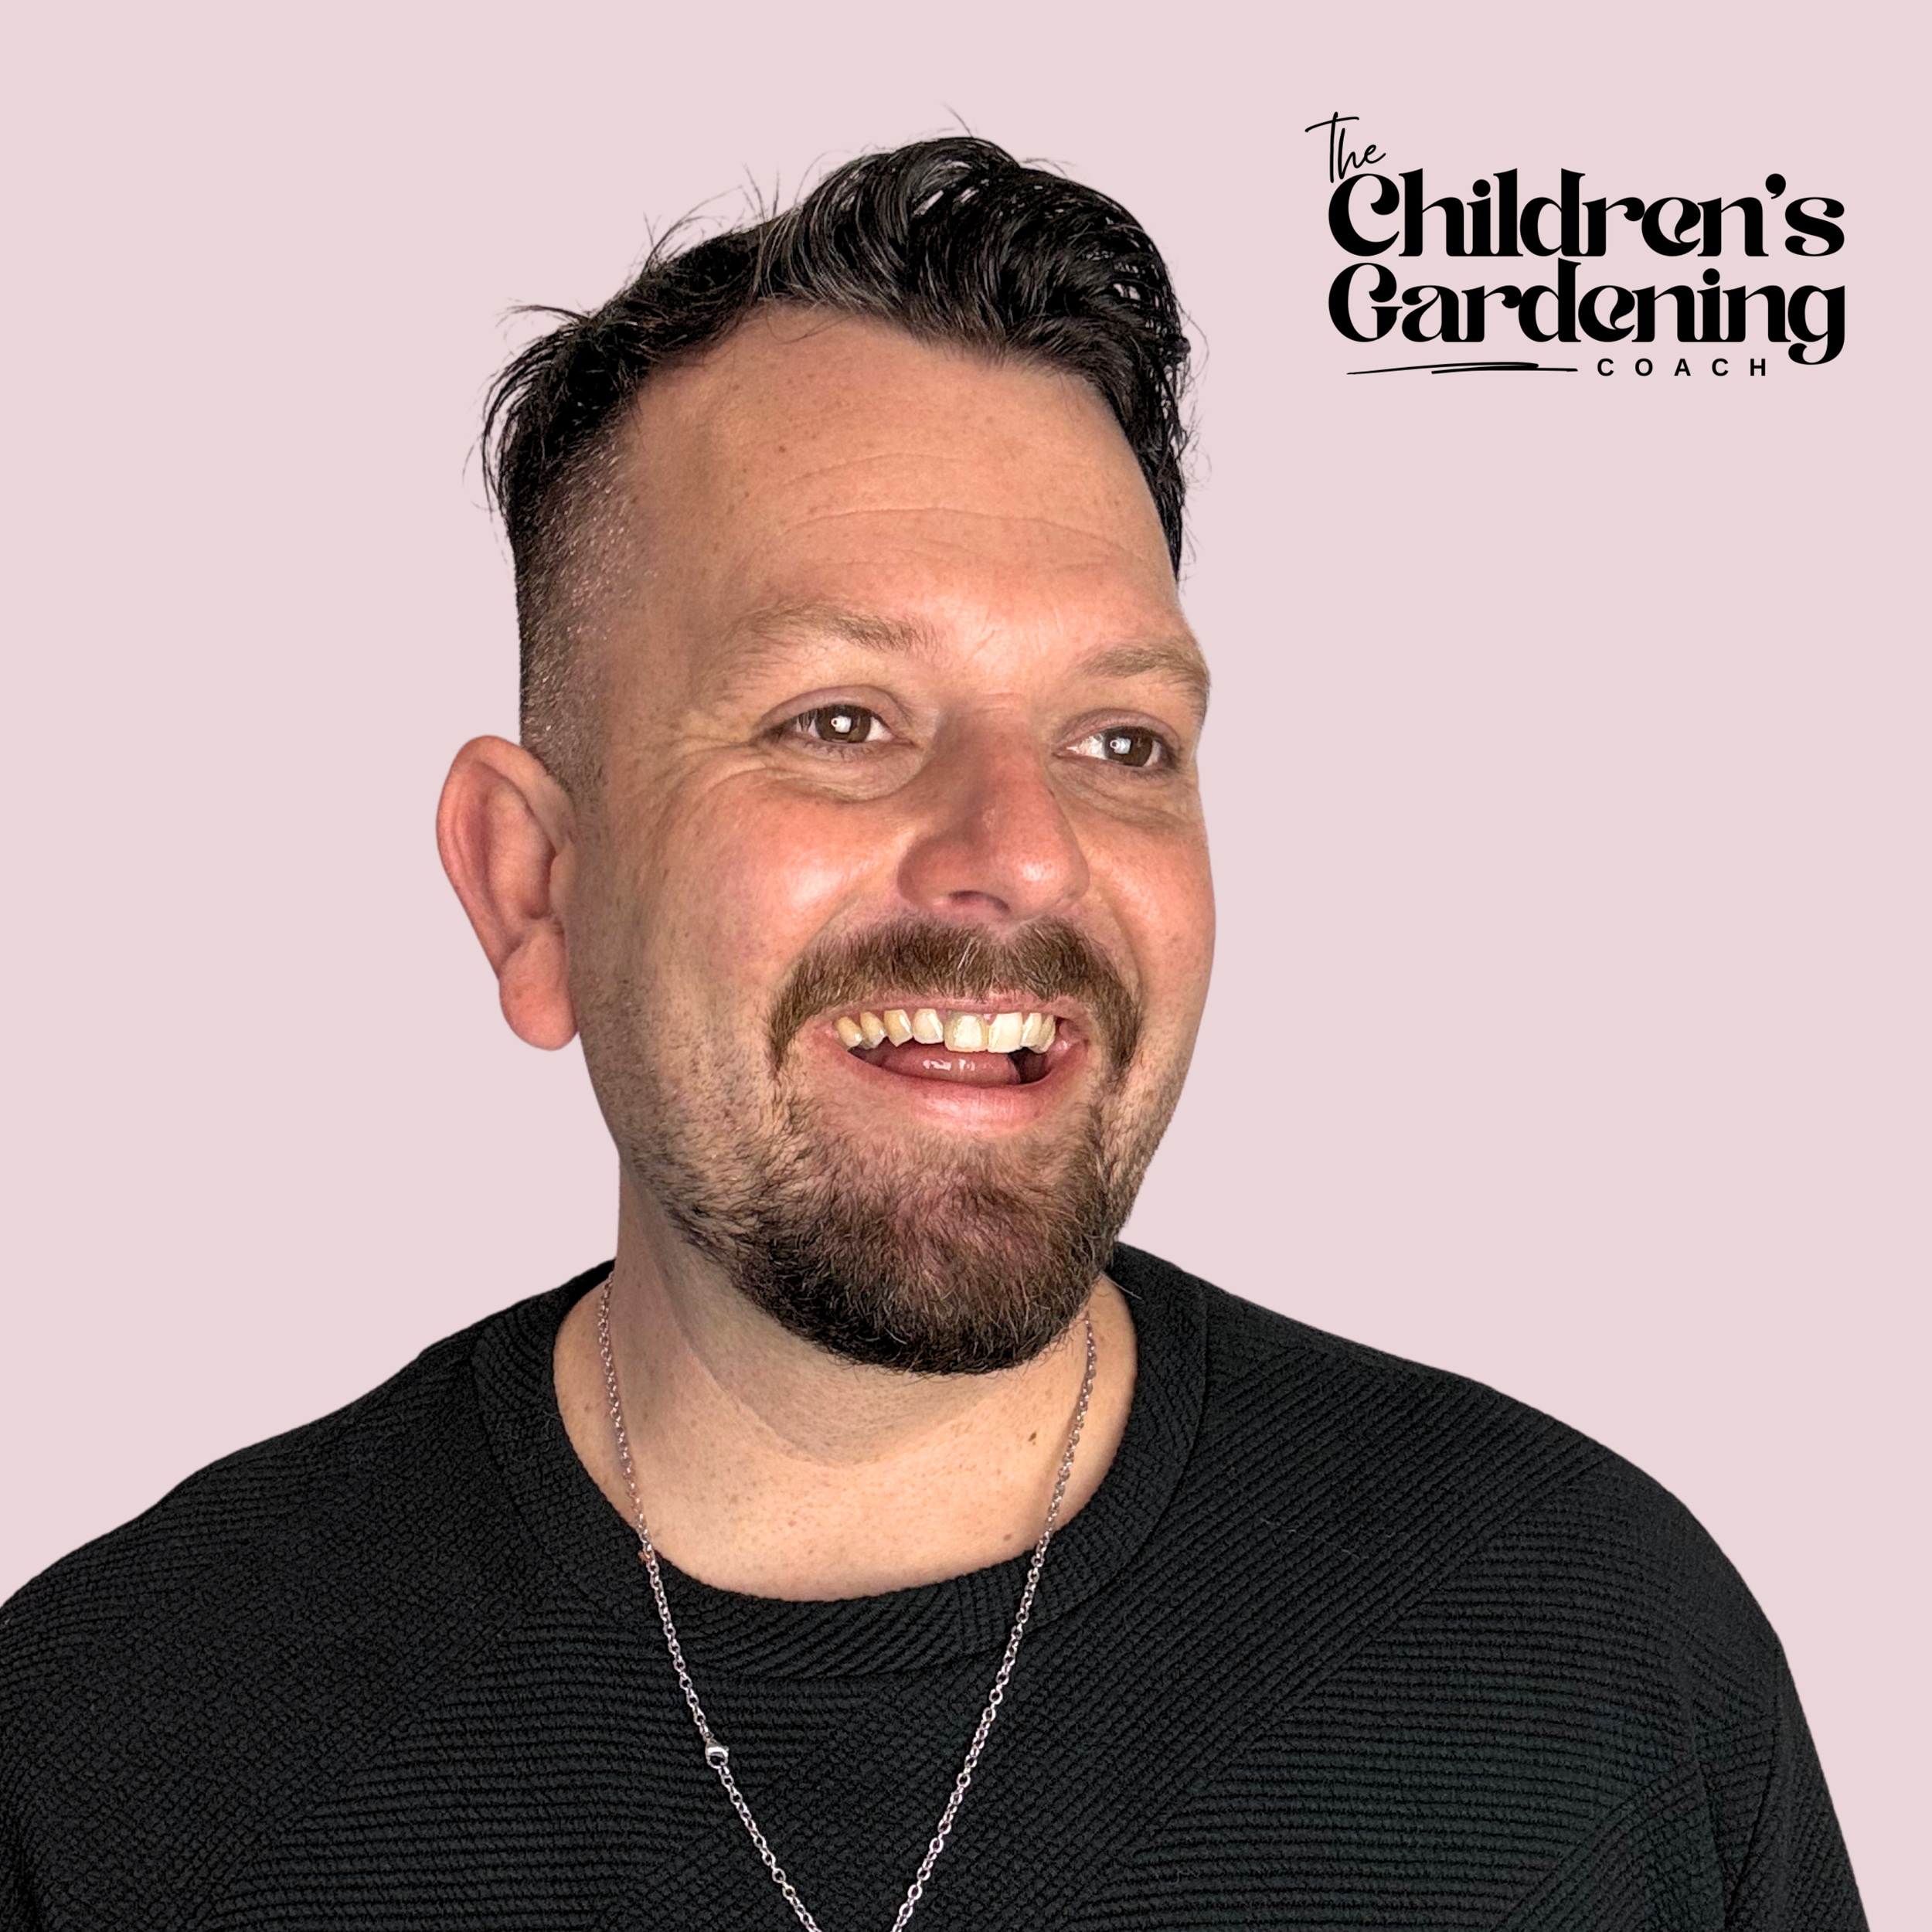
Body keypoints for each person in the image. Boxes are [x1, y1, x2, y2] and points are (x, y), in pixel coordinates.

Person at [0, 137, 1865, 1930]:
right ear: (531, 884)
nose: (1023, 851)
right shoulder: (105, 1762)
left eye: (1119, 739)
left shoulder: (1595, 1663)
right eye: (840, 720)